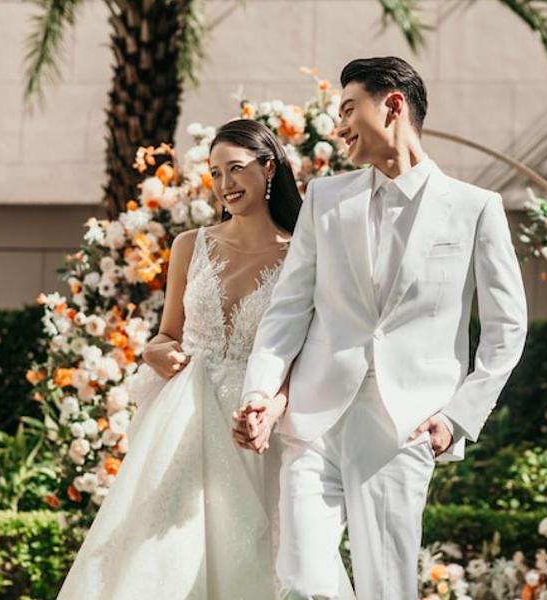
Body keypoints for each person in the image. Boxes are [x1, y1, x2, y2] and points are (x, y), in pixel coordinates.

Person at [235, 56, 528, 600]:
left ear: (393, 105)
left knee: (384, 587)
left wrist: (456, 418)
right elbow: (287, 311)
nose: (338, 125)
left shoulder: (475, 209)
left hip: (404, 427)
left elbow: (508, 329)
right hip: (313, 419)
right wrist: (260, 392)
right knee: (301, 578)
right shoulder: (325, 198)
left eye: (348, 109)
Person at [57, 118, 354, 599]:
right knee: (164, 554)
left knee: (264, 558)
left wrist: (272, 407)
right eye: (215, 173)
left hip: (256, 424)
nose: (224, 185)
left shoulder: (304, 254)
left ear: (269, 168)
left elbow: (307, 353)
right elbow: (165, 335)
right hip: (185, 418)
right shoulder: (190, 245)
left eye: (235, 169)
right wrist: (157, 353)